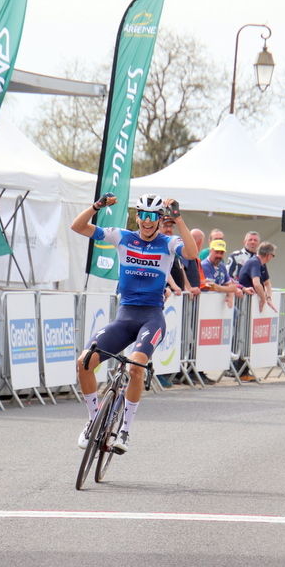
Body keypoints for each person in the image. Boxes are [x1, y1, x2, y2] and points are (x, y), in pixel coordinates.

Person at [70, 193, 198, 454]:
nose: (148, 222)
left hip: (151, 317)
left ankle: (125, 430)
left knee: (136, 368)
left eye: (154, 217)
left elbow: (193, 253)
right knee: (84, 362)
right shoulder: (122, 237)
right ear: (137, 217)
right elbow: (78, 227)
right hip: (125, 316)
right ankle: (94, 420)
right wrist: (97, 206)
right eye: (144, 216)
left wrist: (179, 218)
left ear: (160, 219)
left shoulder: (169, 242)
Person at [238, 242, 277, 313]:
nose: (272, 258)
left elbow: (267, 283)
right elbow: (256, 284)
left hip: (251, 302)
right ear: (268, 255)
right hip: (244, 303)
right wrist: (263, 299)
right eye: (273, 255)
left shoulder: (262, 264)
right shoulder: (254, 262)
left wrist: (268, 298)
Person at [201, 239, 242, 308]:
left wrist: (230, 296)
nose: (219, 255)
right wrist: (230, 290)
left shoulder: (222, 265)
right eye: (216, 252)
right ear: (210, 251)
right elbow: (212, 287)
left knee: (236, 312)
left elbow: (228, 283)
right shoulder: (205, 265)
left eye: (221, 253)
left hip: (218, 305)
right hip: (206, 305)